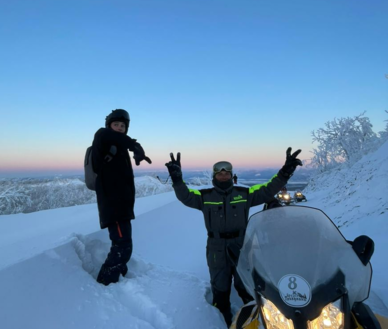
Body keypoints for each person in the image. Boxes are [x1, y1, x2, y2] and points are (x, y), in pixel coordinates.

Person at [165, 148, 302, 327]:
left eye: (226, 173)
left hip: (241, 245)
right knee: (220, 286)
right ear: (214, 176)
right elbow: (186, 196)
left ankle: (252, 318)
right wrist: (177, 179)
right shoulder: (205, 196)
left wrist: (285, 172)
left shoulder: (244, 194)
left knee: (245, 284)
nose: (223, 176)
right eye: (220, 173)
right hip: (216, 247)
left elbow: (267, 190)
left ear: (231, 175)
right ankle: (221, 318)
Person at [92, 109, 152, 286]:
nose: (119, 128)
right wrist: (135, 146)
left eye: (122, 126)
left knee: (124, 244)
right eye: (116, 124)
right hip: (113, 205)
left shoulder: (118, 147)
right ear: (109, 125)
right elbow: (114, 137)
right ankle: (106, 283)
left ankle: (118, 275)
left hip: (122, 206)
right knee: (122, 246)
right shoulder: (102, 135)